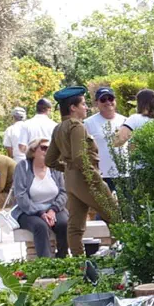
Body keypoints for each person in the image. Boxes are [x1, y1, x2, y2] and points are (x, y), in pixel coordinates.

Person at [46, 86, 118, 257]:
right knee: (115, 216)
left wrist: (67, 169)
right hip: (87, 179)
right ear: (73, 107)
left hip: (71, 181)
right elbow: (80, 157)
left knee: (75, 226)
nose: (86, 107)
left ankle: (79, 263)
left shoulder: (59, 128)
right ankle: (122, 256)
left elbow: (49, 160)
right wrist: (95, 179)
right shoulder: (76, 126)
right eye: (83, 104)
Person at [12, 139, 68, 258]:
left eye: (50, 149)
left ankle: (63, 259)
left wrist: (53, 210)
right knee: (40, 226)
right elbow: (20, 195)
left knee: (64, 224)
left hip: (54, 208)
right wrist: (40, 213)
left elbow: (63, 192)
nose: (48, 151)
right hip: (28, 210)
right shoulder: (23, 167)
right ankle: (45, 262)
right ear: (33, 151)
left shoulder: (55, 167)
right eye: (43, 148)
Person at [84, 87, 127, 192]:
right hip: (101, 176)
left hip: (125, 174)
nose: (108, 102)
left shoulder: (125, 121)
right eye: (103, 100)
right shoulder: (88, 123)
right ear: (97, 103)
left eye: (110, 99)